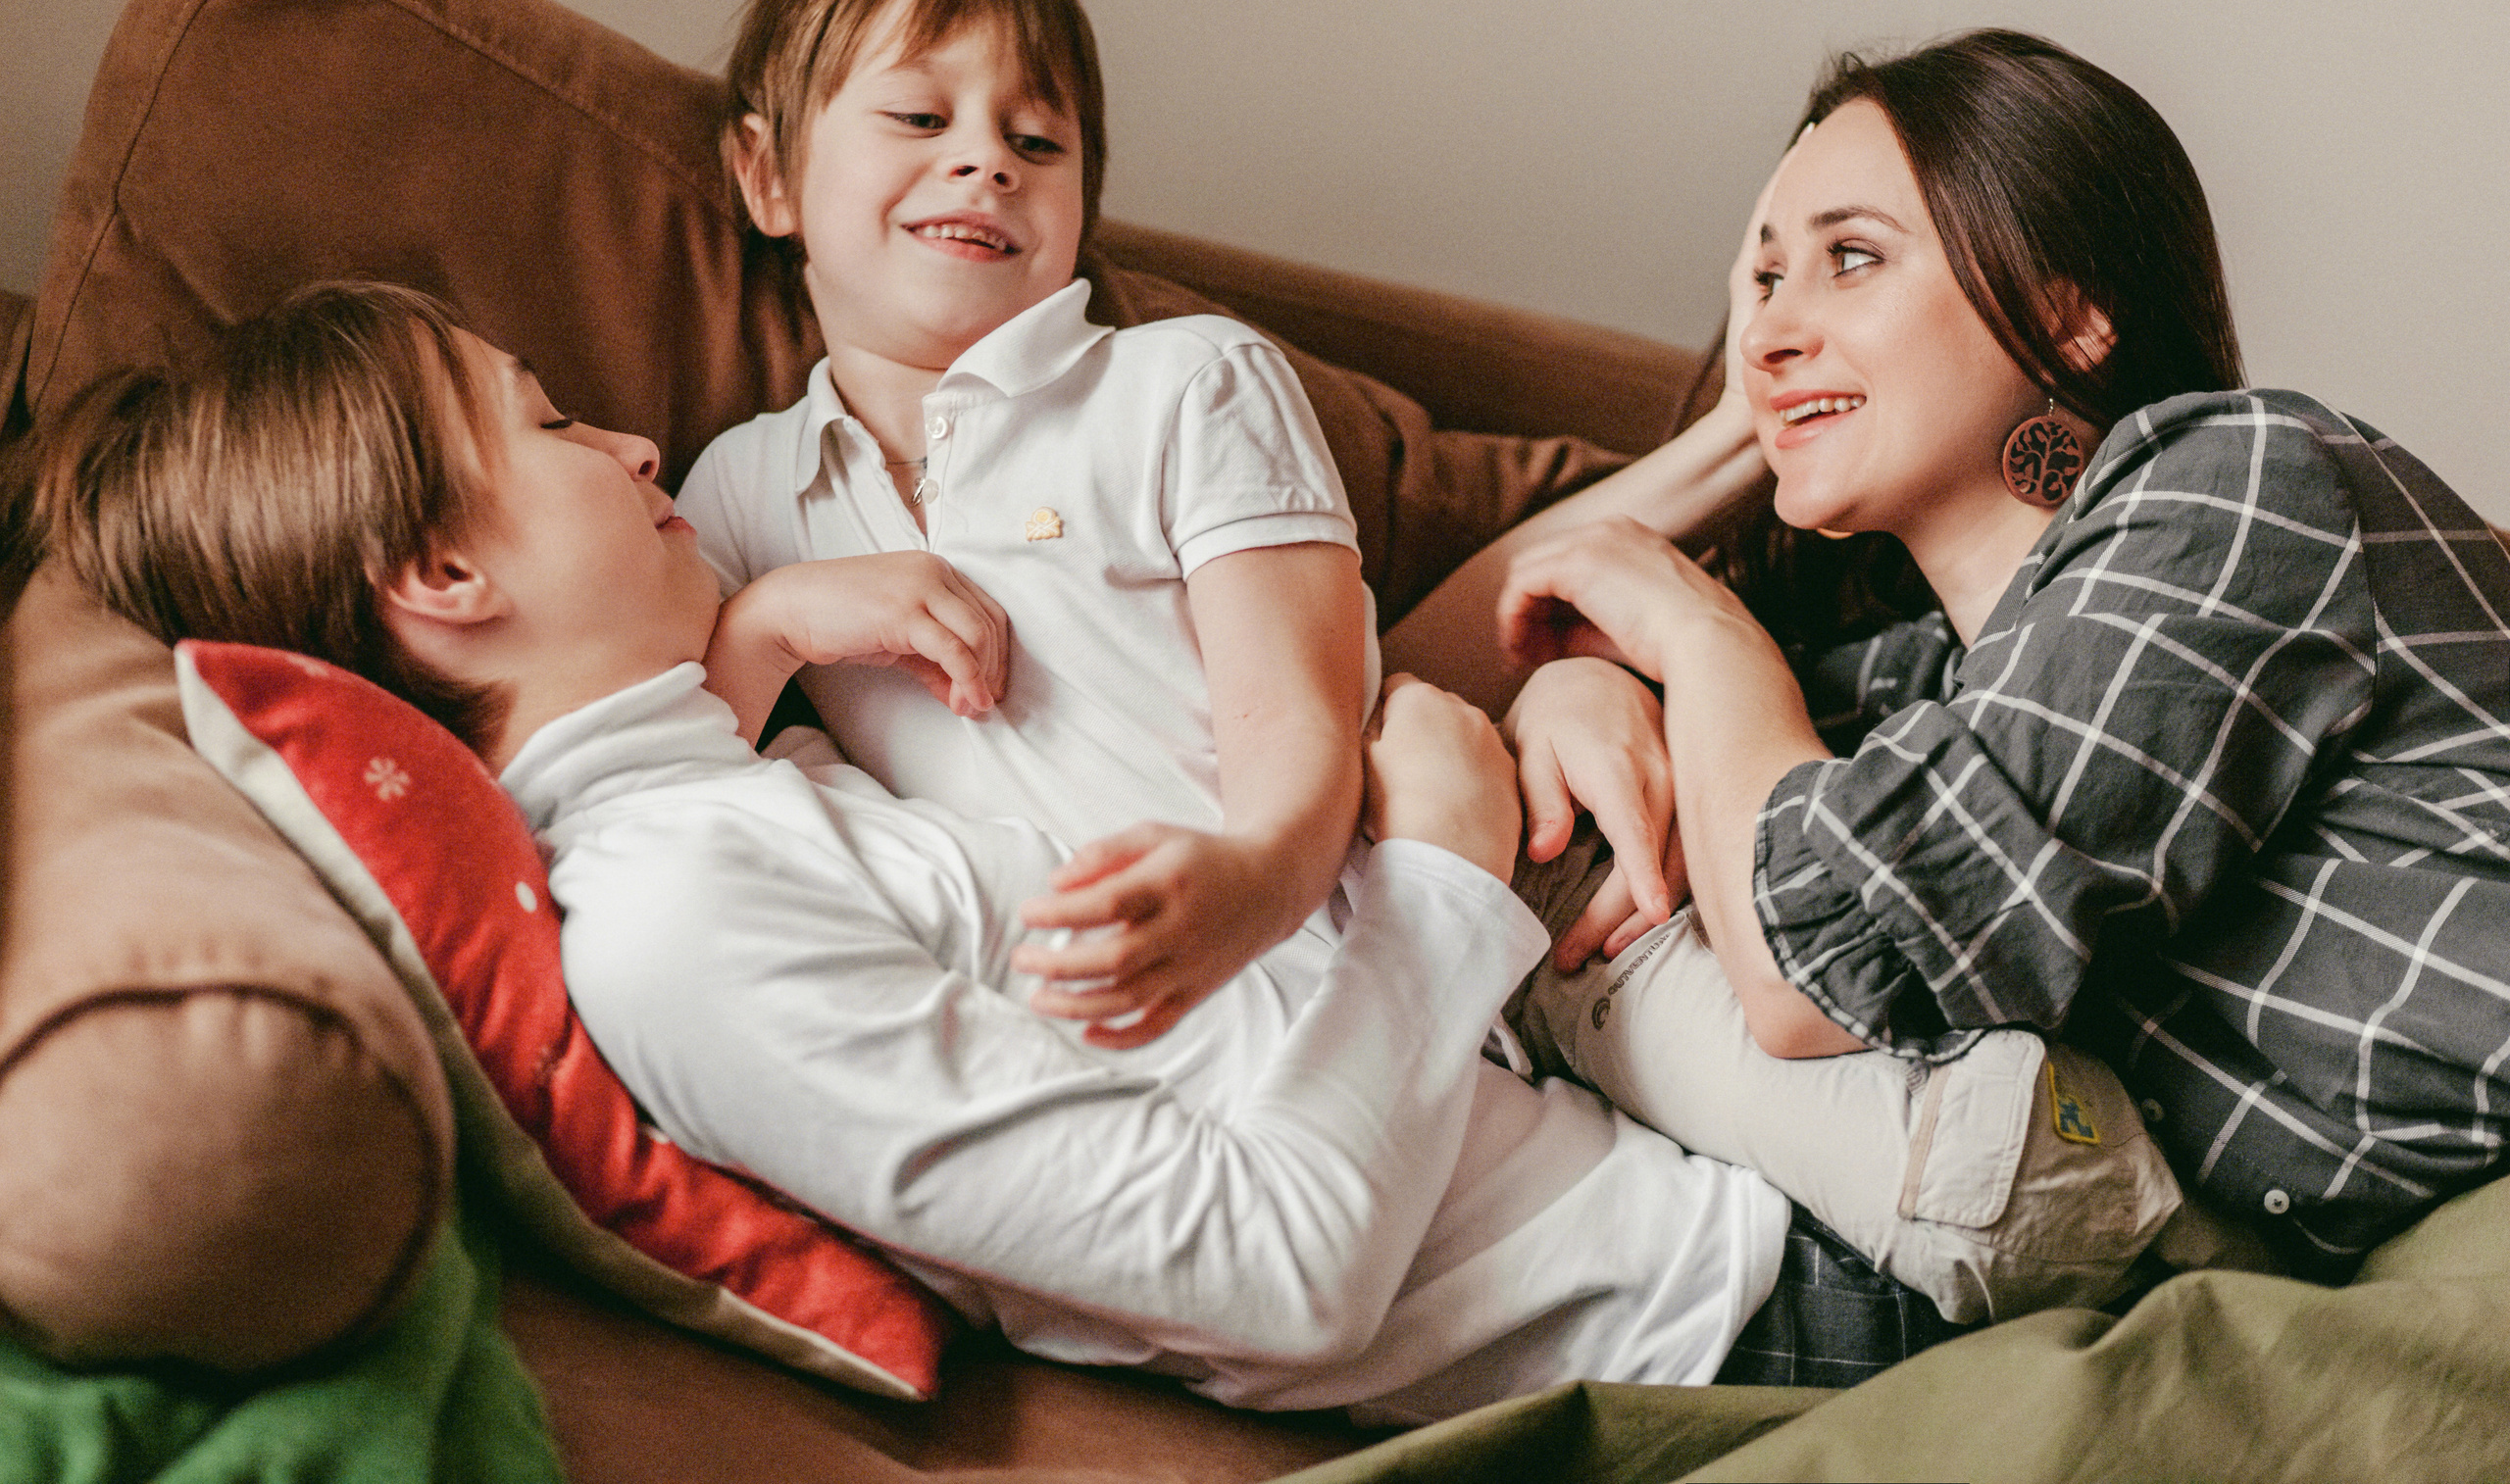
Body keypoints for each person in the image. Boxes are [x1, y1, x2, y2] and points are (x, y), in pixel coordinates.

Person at [48, 279, 2013, 1417]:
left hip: (1689, 1147)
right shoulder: (677, 924)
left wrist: (758, 631)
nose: (638, 448)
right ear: (439, 572)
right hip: (1723, 1316)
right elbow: (1274, 1275)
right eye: (551, 425)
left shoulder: (737, 788)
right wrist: (1437, 857)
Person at [1473, 28, 2510, 1281]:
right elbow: (1414, 672)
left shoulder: (2245, 487)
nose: (1766, 331)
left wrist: (1695, 630)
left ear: (2067, 312)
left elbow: (1812, 981)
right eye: (1756, 281)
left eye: (1850, 257)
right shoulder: (1927, 685)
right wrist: (1589, 661)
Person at [677, 0, 1370, 1049]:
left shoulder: (1187, 380)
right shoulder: (745, 486)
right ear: (765, 175)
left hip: (1315, 963)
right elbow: (660, 767)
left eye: (1039, 142)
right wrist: (772, 620)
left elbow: (1296, 714)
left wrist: (1255, 880)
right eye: (917, 115)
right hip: (1061, 1036)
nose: (987, 160)